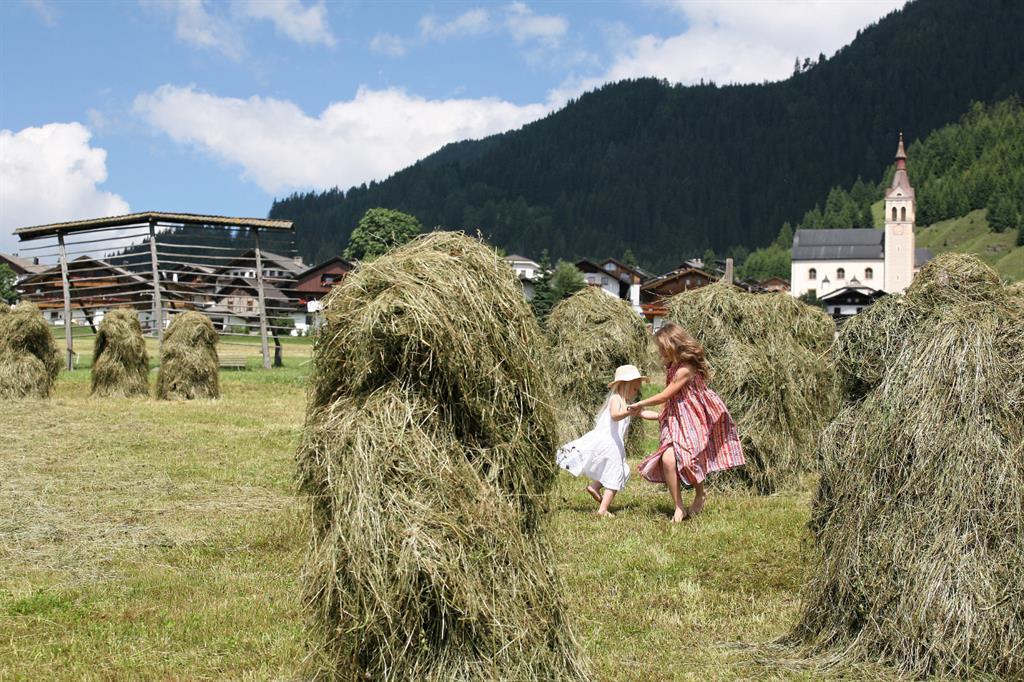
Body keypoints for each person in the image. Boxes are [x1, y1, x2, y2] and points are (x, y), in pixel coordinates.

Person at [628, 323, 744, 522]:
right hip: (675, 416)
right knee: (668, 459)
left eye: (662, 347)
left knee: (691, 458)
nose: (660, 351)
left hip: (693, 415)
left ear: (673, 344)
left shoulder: (686, 368)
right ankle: (679, 507)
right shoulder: (672, 364)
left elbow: (665, 395)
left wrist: (641, 403)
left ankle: (700, 493)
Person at [556, 364, 646, 517]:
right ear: (624, 385)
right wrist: (629, 411)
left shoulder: (626, 404)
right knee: (616, 473)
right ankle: (602, 510)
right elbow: (615, 415)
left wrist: (660, 416)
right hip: (609, 442)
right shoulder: (615, 399)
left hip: (614, 443)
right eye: (634, 389)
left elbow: (643, 413)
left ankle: (595, 487)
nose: (636, 393)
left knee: (622, 471)